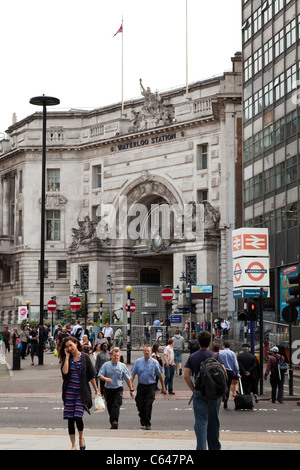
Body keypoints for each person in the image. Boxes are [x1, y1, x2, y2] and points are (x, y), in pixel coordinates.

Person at [184, 331, 225, 451]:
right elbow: (224, 373)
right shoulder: (216, 356)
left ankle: (201, 448)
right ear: (210, 343)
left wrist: (194, 389)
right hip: (214, 394)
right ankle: (214, 448)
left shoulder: (193, 356)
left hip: (200, 392)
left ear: (198, 342)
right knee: (213, 422)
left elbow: (186, 375)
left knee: (201, 422)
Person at [58, 335, 101, 450]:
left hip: (81, 393)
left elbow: (91, 375)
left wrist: (96, 389)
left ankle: (81, 438)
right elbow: (65, 372)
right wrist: (66, 357)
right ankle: (73, 445)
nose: (69, 348)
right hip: (69, 392)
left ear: (76, 344)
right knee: (70, 419)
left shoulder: (85, 357)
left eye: (71, 345)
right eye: (67, 347)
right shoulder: (67, 359)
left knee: (78, 417)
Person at [131, 345, 166, 430]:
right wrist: (130, 385)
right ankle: (142, 416)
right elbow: (133, 374)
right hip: (141, 386)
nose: (146, 352)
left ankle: (147, 423)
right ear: (143, 352)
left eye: (148, 351)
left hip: (151, 386)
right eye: (145, 351)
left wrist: (163, 387)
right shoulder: (138, 362)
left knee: (148, 404)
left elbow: (160, 375)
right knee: (140, 403)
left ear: (151, 352)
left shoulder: (155, 362)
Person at [99, 347, 134, 429]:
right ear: (111, 355)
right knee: (110, 406)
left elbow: (127, 379)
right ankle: (112, 422)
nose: (116, 357)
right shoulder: (106, 365)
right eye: (114, 355)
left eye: (117, 356)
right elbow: (100, 375)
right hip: (108, 389)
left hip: (118, 388)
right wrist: (106, 379)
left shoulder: (122, 366)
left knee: (116, 404)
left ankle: (115, 421)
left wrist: (131, 390)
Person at [219, 341, 240, 409]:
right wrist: (237, 373)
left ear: (223, 346)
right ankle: (226, 400)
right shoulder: (232, 353)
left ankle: (222, 396)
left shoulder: (220, 352)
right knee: (228, 385)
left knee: (221, 384)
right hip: (230, 371)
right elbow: (235, 365)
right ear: (229, 347)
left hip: (221, 370)